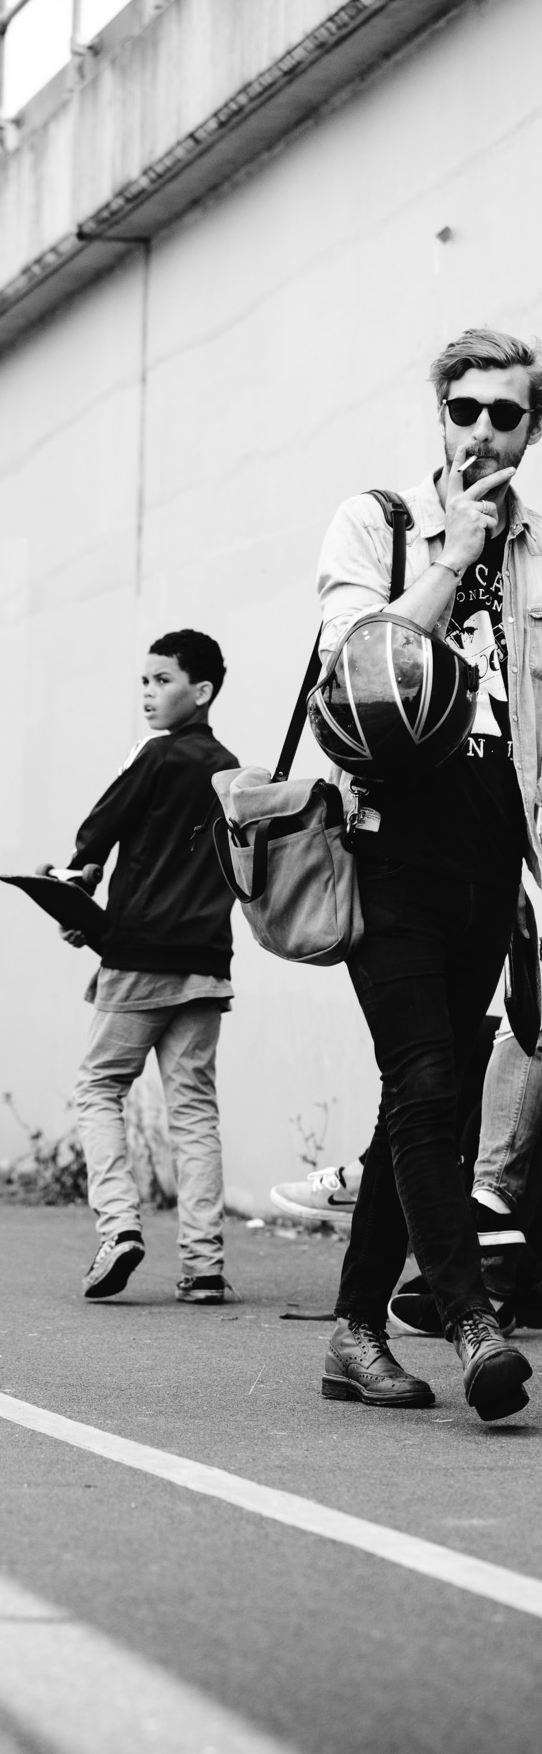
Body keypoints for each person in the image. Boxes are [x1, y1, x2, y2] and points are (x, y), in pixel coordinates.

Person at [315, 327, 542, 1422]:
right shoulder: (380, 523)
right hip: (388, 848)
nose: (484, 430)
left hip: (491, 852)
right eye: (467, 410)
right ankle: (469, 1318)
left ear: (531, 429)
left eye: (507, 413)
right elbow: (351, 659)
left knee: (422, 1100)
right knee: (429, 1081)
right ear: (440, 416)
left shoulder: (538, 551)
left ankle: (354, 1333)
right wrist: (455, 555)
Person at [60, 631, 240, 1305]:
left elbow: (97, 832)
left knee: (98, 1088)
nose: (148, 693)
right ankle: (204, 1267)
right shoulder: (231, 770)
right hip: (207, 961)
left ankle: (119, 1227)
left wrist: (76, 883)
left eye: (163, 680)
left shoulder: (156, 755)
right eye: (144, 680)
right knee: (194, 1113)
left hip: (140, 957)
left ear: (202, 691)